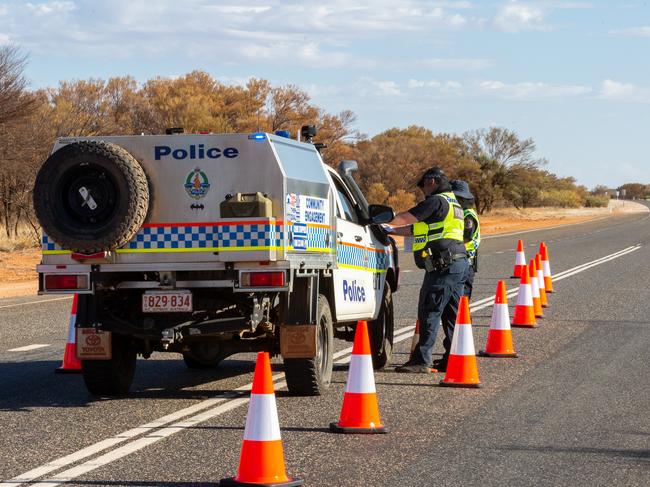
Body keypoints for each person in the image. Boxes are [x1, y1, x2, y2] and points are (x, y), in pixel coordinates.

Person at [382, 167, 469, 373]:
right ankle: (452, 357)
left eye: (423, 188)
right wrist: (391, 231)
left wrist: (383, 222)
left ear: (431, 181)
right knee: (451, 313)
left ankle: (422, 360)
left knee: (430, 309)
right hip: (458, 263)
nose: (423, 193)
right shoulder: (452, 204)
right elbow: (415, 229)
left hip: (444, 264)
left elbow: (407, 218)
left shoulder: (436, 200)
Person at [450, 180, 481, 299]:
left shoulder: (468, 214)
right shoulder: (460, 212)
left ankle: (464, 318)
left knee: (462, 297)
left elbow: (467, 236)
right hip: (460, 259)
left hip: (466, 260)